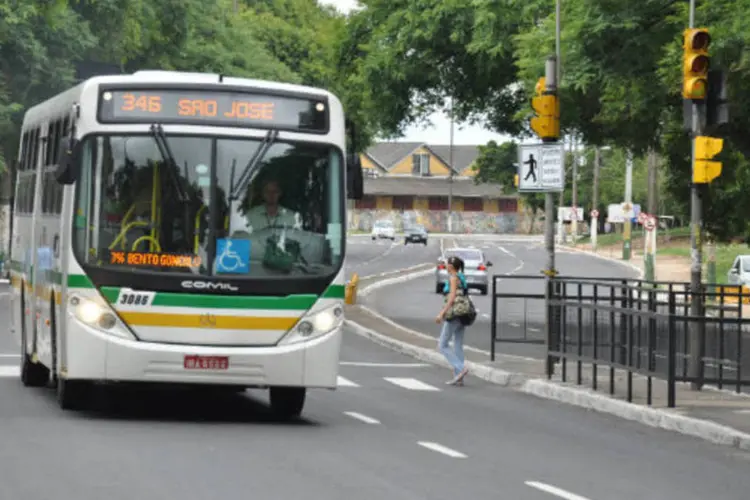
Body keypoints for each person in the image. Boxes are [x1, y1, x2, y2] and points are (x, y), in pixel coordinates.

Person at [435, 255, 470, 385]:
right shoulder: (461, 277)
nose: (445, 265)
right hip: (464, 313)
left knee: (443, 344)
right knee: (458, 344)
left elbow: (452, 297)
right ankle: (458, 377)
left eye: (447, 263)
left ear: (451, 266)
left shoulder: (453, 278)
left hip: (454, 313)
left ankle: (461, 368)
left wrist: (441, 313)